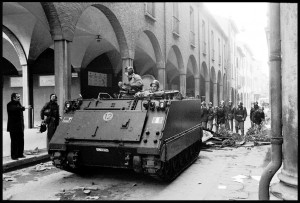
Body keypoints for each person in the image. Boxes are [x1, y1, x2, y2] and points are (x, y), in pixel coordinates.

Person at [7, 93, 31, 160]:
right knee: (14, 141)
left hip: (20, 126)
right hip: (13, 127)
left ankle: (20, 154)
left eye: (19, 97)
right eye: (18, 97)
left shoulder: (18, 104)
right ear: (13, 98)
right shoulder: (9, 104)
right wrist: (23, 107)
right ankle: (14, 156)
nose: (19, 98)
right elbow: (15, 109)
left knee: (21, 140)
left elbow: (21, 109)